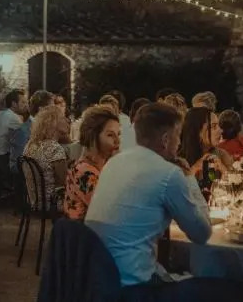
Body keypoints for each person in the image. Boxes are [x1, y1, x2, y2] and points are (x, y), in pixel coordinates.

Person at [86, 102, 212, 286]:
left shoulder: (113, 163)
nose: (179, 143)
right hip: (135, 288)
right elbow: (202, 234)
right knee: (232, 289)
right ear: (166, 139)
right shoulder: (169, 174)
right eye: (178, 135)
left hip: (97, 282)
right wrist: (189, 177)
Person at [64, 105, 121, 220]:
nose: (117, 141)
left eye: (118, 134)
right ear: (93, 138)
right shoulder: (85, 172)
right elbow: (111, 212)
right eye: (110, 135)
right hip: (86, 230)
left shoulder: (103, 166)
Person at [23, 107, 69, 211]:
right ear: (54, 123)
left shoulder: (30, 145)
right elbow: (65, 181)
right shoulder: (55, 148)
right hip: (52, 203)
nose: (67, 120)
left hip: (33, 201)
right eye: (63, 118)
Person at [180, 107, 232, 179]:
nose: (221, 130)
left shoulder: (222, 155)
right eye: (214, 126)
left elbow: (237, 183)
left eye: (218, 125)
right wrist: (194, 169)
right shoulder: (179, 162)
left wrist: (223, 169)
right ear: (198, 131)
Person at [11, 90, 53, 171]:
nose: (55, 112)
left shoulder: (47, 128)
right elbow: (17, 165)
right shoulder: (23, 131)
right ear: (41, 110)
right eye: (52, 109)